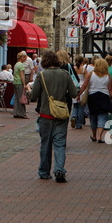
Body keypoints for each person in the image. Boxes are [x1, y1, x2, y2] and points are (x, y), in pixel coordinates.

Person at [31, 50, 78, 183]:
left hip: (46, 114)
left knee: (45, 144)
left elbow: (33, 96)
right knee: (60, 143)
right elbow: (74, 93)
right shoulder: (65, 74)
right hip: (61, 113)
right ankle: (59, 170)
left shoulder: (41, 75)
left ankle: (44, 171)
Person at [78, 58, 112, 143]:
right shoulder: (108, 76)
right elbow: (110, 89)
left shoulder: (90, 74)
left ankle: (94, 135)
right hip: (104, 97)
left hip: (92, 97)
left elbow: (84, 85)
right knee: (102, 116)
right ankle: (99, 137)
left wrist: (78, 94)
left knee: (93, 116)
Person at [71, 55, 86, 129]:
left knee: (75, 105)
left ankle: (73, 116)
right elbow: (86, 79)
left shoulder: (73, 68)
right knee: (81, 107)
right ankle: (79, 124)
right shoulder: (84, 69)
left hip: (74, 87)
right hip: (82, 88)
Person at [13, 52, 28, 118]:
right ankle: (22, 113)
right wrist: (24, 84)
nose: (25, 59)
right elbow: (22, 75)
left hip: (15, 82)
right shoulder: (21, 65)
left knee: (16, 98)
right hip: (19, 82)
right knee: (21, 98)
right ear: (21, 57)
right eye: (24, 57)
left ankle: (16, 112)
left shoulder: (16, 64)